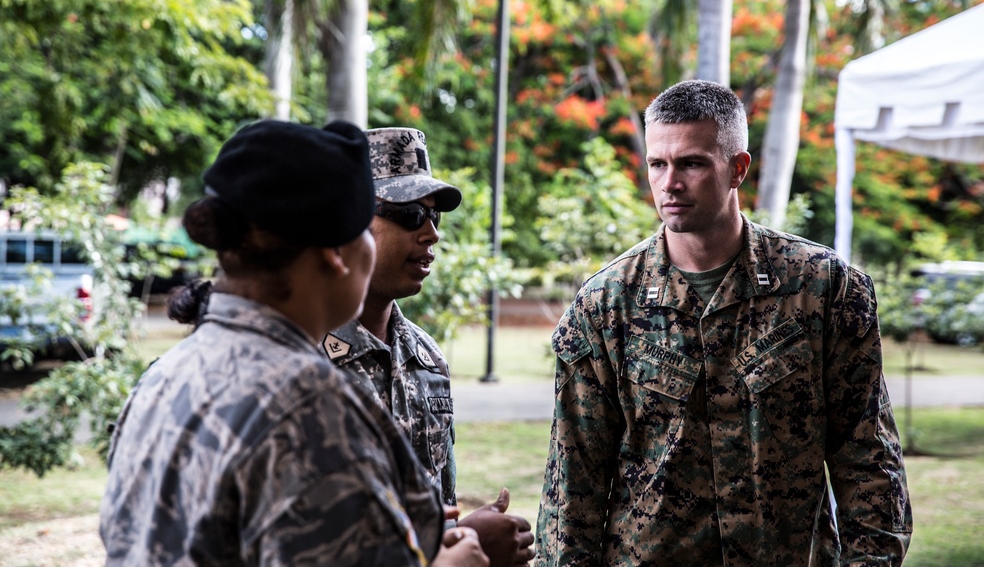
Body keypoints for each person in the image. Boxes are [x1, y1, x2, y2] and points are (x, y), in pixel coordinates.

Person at [535, 80, 913, 566]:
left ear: (738, 168)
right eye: (657, 164)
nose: (670, 183)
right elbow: (573, 483)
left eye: (691, 163)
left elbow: (869, 460)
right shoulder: (606, 305)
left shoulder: (823, 289)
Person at [100, 120, 487, 567]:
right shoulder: (312, 406)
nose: (431, 234)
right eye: (375, 222)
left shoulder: (162, 377)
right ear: (334, 252)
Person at [323, 127, 535, 567]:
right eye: (410, 215)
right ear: (348, 219)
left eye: (435, 217)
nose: (431, 234)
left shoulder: (426, 356)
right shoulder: (301, 359)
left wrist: (465, 536)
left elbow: (438, 502)